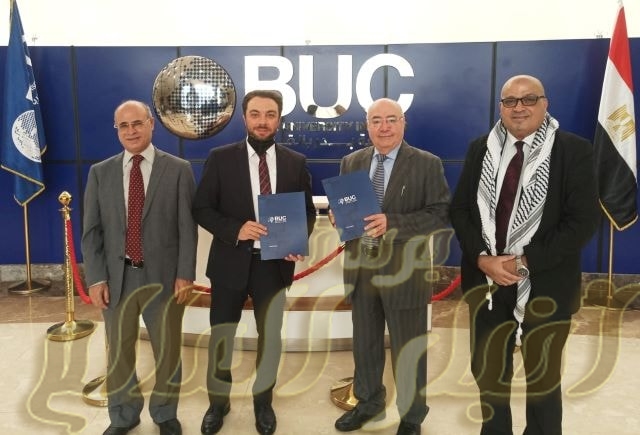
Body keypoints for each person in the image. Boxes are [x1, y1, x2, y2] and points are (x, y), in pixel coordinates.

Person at [449, 75, 599, 435]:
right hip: (488, 285)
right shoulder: (480, 149)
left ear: (545, 104)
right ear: (500, 107)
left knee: (543, 381)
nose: (519, 108)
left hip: (546, 286)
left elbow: (582, 221)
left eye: (528, 99)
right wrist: (483, 258)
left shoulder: (573, 150)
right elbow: (460, 210)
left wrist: (524, 262)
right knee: (489, 375)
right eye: (510, 101)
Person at [192, 89, 316, 435]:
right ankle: (218, 403)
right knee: (222, 337)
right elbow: (201, 208)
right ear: (245, 118)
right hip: (229, 263)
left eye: (270, 114)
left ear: (279, 119)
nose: (263, 121)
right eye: (256, 114)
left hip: (273, 266)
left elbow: (307, 212)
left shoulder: (295, 162)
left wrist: (296, 240)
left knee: (270, 339)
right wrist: (236, 229)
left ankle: (264, 403)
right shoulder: (220, 158)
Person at [332, 98, 451, 435]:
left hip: (405, 273)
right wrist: (339, 216)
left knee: (408, 348)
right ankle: (368, 402)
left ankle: (412, 416)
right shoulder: (351, 162)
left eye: (391, 119)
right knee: (365, 345)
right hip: (361, 270)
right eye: (376, 120)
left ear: (403, 123)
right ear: (367, 125)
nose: (383, 127)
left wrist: (392, 223)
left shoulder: (427, 163)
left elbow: (440, 213)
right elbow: (348, 210)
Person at [82, 100, 198, 435]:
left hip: (164, 279)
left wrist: (185, 274)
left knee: (167, 351)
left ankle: (165, 413)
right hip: (116, 280)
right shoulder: (100, 173)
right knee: (119, 352)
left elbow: (186, 228)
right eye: (124, 125)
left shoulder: (178, 169)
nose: (131, 131)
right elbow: (92, 232)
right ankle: (123, 415)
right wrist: (96, 278)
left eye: (137, 123)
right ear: (117, 130)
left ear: (151, 124)